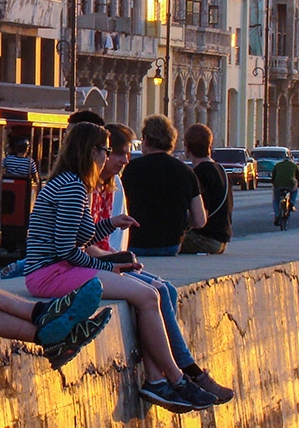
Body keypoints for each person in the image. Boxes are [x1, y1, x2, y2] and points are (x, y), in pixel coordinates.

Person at [23, 122, 218, 413]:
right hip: (50, 273)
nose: (106, 157)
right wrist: (106, 267)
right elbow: (65, 250)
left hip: (59, 268)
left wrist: (110, 224)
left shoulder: (71, 182)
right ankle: (175, 379)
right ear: (91, 152)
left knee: (151, 291)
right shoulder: (74, 187)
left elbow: (78, 237)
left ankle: (160, 380)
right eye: (104, 150)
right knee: (147, 296)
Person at [86, 123, 234, 403]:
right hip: (126, 255)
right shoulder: (184, 171)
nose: (125, 160)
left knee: (166, 290)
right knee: (153, 293)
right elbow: (200, 220)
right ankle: (184, 373)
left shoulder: (120, 179)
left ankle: (160, 378)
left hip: (121, 253)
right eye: (117, 154)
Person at [121, 115, 207, 256]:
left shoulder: (132, 169)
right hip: (170, 245)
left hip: (136, 243)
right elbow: (199, 220)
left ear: (147, 140)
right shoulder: (186, 172)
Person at [180, 124, 232, 255]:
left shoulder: (199, 174)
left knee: (160, 241)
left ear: (187, 147)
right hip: (221, 240)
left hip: (205, 240)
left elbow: (200, 218)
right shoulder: (221, 170)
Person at [271, 153, 299, 227]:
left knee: (276, 200)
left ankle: (277, 215)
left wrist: (274, 184)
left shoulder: (278, 165)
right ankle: (291, 203)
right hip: (290, 184)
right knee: (295, 191)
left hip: (278, 185)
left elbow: (273, 177)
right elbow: (298, 177)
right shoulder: (294, 165)